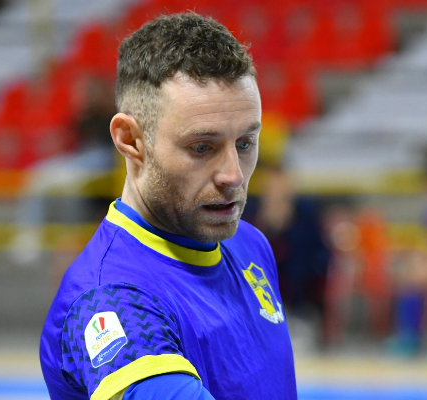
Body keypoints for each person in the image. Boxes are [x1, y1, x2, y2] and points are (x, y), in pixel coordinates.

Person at [40, 12, 297, 400]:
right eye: (202, 147)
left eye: (245, 143)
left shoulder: (249, 244)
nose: (233, 175)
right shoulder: (112, 300)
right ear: (131, 140)